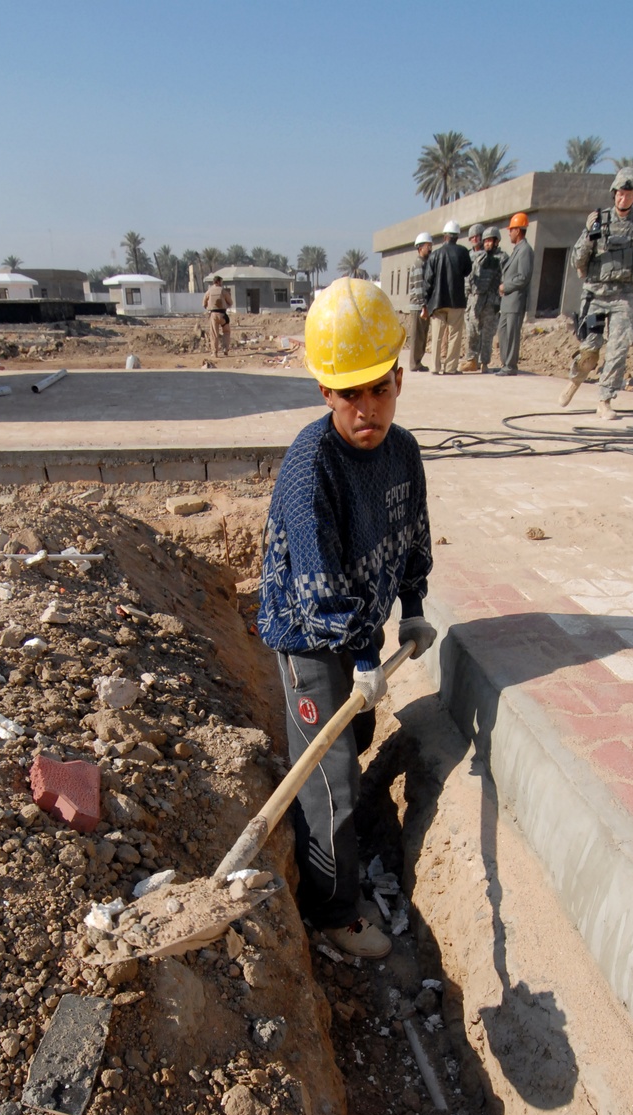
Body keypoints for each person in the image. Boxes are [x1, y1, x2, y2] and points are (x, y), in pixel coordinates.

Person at [257, 279, 436, 959]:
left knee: (355, 733)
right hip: (309, 634)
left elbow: (413, 535)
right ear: (325, 392)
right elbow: (319, 587)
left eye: (379, 389)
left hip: (359, 627)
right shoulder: (312, 470)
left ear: (399, 381)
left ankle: (340, 821)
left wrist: (412, 610)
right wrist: (361, 657)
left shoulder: (403, 452)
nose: (368, 409)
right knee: (330, 771)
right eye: (350, 393)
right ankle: (333, 911)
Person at [561, 168, 633, 419]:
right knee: (590, 349)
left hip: (624, 297)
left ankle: (605, 400)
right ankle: (575, 381)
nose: (623, 198)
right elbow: (578, 259)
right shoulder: (599, 220)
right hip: (596, 296)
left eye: (628, 194)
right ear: (614, 194)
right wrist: (589, 234)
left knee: (618, 350)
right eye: (619, 193)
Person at [422, 219, 472, 375]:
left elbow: (428, 281)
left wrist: (426, 302)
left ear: (445, 236)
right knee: (455, 335)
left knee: (437, 335)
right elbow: (467, 271)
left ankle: (435, 367)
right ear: (457, 237)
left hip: (438, 302)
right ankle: (450, 368)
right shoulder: (463, 252)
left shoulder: (435, 255)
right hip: (456, 301)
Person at [460, 225, 503, 372]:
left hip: (491, 301)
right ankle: (472, 360)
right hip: (474, 299)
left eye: (490, 241)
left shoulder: (501, 258)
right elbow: (469, 278)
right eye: (486, 241)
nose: (487, 243)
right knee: (472, 332)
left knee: (487, 334)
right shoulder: (476, 257)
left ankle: (484, 362)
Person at [496, 212, 534, 376]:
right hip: (508, 302)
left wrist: (505, 286)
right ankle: (505, 363)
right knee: (503, 332)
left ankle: (510, 366)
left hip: (515, 301)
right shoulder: (517, 250)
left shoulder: (525, 251)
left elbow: (523, 277)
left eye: (511, 230)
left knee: (511, 334)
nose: (509, 233)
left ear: (518, 230)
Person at [407, 232, 434, 372]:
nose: (430, 249)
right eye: (427, 246)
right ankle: (414, 364)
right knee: (417, 337)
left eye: (430, 246)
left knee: (422, 336)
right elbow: (419, 288)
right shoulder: (419, 264)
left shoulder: (425, 263)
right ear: (420, 248)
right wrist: (424, 305)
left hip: (423, 305)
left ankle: (418, 362)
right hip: (418, 306)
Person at [202, 274, 233, 356]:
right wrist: (226, 306)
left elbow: (204, 303)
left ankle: (214, 352)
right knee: (226, 331)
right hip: (223, 315)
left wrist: (209, 307)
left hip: (213, 315)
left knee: (214, 334)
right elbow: (230, 302)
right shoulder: (223, 291)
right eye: (221, 281)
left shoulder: (209, 291)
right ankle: (225, 348)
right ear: (218, 282)